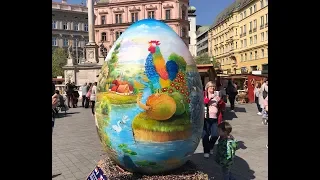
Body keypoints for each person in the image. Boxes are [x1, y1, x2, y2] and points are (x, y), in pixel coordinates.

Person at [203, 81, 220, 158]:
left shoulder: (217, 94)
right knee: (205, 135)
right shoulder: (204, 94)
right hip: (206, 117)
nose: (212, 88)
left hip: (215, 118)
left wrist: (220, 101)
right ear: (207, 88)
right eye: (211, 87)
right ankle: (206, 151)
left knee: (215, 135)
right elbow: (203, 102)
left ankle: (210, 146)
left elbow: (222, 105)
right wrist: (209, 98)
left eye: (213, 87)